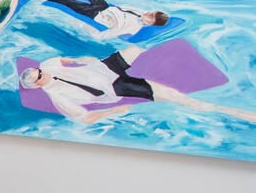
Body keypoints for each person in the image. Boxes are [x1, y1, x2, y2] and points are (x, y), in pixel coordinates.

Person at [18, 47, 256, 126]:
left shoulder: (47, 65)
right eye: (41, 77)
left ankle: (171, 64)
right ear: (38, 86)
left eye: (41, 71)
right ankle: (234, 112)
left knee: (135, 50)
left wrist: (85, 59)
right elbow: (85, 118)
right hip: (113, 88)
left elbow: (68, 60)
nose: (44, 73)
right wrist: (114, 111)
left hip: (102, 68)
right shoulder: (58, 97)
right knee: (174, 96)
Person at [32, 0, 169, 38]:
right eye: (152, 12)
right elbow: (124, 8)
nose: (149, 13)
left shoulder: (135, 27)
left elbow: (115, 31)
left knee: (71, 3)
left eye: (151, 16)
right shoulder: (141, 13)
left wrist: (95, 33)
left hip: (100, 16)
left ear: (152, 22)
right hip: (107, 8)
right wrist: (114, 7)